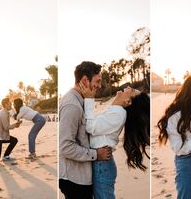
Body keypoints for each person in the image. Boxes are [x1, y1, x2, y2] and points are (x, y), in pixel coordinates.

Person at [79, 82, 150, 199]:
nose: (127, 87)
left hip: (102, 165)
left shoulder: (118, 114)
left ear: (128, 102)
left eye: (131, 90)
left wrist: (89, 99)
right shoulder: (114, 110)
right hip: (101, 162)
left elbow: (90, 127)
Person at [59, 61, 112, 199]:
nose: (100, 86)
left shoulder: (82, 101)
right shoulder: (72, 105)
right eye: (97, 81)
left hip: (80, 177)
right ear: (84, 80)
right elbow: (65, 147)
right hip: (75, 180)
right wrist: (96, 154)